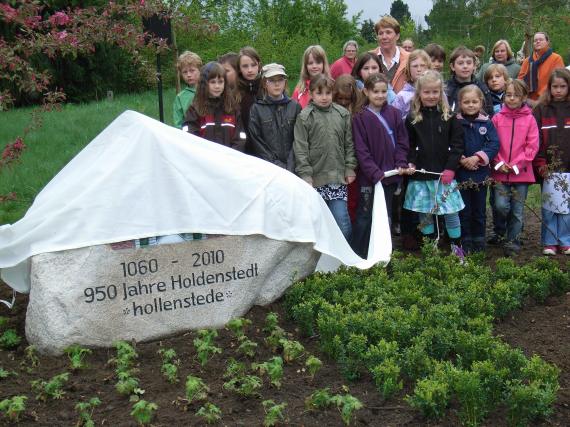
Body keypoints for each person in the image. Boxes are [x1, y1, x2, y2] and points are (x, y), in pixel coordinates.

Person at [403, 70, 466, 260]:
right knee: (426, 215)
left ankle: (457, 249)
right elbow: (409, 145)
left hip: (444, 176)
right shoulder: (412, 118)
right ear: (419, 94)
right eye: (427, 92)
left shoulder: (450, 117)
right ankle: (431, 250)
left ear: (441, 93)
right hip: (421, 176)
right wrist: (411, 161)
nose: (431, 96)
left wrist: (450, 168)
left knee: (451, 213)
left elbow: (457, 146)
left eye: (435, 92)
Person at [351, 73, 409, 257]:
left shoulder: (394, 113)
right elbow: (361, 150)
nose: (380, 95)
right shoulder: (359, 117)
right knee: (364, 216)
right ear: (366, 92)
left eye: (384, 91)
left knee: (386, 217)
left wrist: (400, 162)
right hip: (369, 178)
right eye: (375, 91)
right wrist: (374, 172)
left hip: (390, 177)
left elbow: (402, 141)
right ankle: (358, 254)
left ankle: (383, 254)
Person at [293, 74, 356, 241]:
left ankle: (346, 260)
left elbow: (349, 144)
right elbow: (300, 148)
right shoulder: (305, 117)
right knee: (317, 224)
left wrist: (350, 167)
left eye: (328, 93)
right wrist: (305, 174)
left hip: (337, 178)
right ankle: (321, 262)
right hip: (314, 179)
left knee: (341, 221)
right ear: (311, 94)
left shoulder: (342, 114)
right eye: (319, 93)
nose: (324, 97)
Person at [491, 79, 539, 256]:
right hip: (500, 172)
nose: (511, 99)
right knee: (501, 206)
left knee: (517, 212)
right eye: (508, 95)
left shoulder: (530, 120)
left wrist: (516, 165)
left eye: (516, 95)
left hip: (522, 174)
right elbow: (492, 143)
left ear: (524, 97)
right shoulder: (496, 118)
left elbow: (532, 146)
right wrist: (500, 163)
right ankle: (503, 229)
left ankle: (513, 243)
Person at [455, 85, 500, 254]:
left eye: (474, 102)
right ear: (460, 103)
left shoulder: (486, 123)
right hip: (461, 173)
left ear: (481, 102)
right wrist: (462, 160)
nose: (471, 105)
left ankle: (479, 238)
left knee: (479, 209)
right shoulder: (455, 122)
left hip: (481, 174)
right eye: (467, 102)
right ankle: (465, 239)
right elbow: (451, 143)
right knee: (464, 209)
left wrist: (477, 158)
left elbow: (494, 143)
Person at [532, 68, 570, 255]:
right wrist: (540, 164)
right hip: (547, 167)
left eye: (563, 86)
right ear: (549, 87)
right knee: (549, 206)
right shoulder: (541, 109)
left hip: (568, 167)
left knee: (566, 207)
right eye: (555, 86)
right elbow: (535, 138)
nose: (558, 90)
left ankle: (565, 241)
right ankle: (549, 242)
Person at [248, 63, 301, 172]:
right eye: (271, 80)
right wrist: (277, 164)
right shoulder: (257, 109)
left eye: (280, 80)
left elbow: (299, 138)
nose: (277, 84)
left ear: (285, 82)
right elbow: (257, 142)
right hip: (269, 169)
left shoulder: (295, 107)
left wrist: (290, 165)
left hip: (294, 169)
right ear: (264, 83)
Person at [184, 62, 246, 152]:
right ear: (205, 84)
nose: (217, 86)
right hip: (205, 160)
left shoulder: (233, 108)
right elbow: (190, 136)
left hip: (229, 160)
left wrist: (231, 156)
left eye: (220, 82)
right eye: (213, 82)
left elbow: (240, 138)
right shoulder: (195, 109)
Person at [483, 63, 509, 246]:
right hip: (494, 152)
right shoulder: (485, 100)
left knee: (512, 199)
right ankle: (499, 231)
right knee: (496, 197)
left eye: (498, 76)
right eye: (491, 77)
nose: (494, 80)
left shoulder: (513, 97)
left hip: (512, 150)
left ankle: (513, 230)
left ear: (505, 79)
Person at [333, 75, 360, 223]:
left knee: (353, 201)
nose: (343, 103)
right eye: (339, 99)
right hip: (335, 164)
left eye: (347, 99)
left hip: (354, 165)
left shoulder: (357, 113)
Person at [518, 32, 565, 105]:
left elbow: (561, 81)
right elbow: (520, 81)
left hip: (549, 101)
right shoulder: (527, 61)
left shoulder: (556, 59)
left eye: (541, 39)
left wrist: (544, 98)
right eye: (535, 40)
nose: (537, 42)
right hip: (529, 102)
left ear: (547, 42)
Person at [445, 46, 494, 116]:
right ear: (452, 66)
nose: (465, 66)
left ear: (474, 65)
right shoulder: (446, 89)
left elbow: (489, 114)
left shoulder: (482, 88)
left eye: (469, 63)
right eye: (460, 63)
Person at [369, 15, 409, 93]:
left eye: (388, 32)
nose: (384, 37)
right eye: (380, 33)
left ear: (397, 36)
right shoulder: (369, 57)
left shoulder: (410, 59)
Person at [236, 47, 262, 151]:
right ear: (239, 68)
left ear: (259, 65)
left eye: (253, 65)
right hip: (243, 148)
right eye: (245, 66)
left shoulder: (267, 89)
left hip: (265, 149)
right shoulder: (234, 93)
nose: (250, 70)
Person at [392, 49, 431, 119]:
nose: (419, 69)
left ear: (428, 68)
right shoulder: (402, 96)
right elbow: (394, 120)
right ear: (409, 69)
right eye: (415, 66)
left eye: (422, 65)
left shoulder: (436, 92)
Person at [173, 51, 202, 129]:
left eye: (192, 70)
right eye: (185, 72)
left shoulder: (209, 91)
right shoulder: (180, 97)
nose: (188, 75)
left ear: (200, 70)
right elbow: (178, 123)